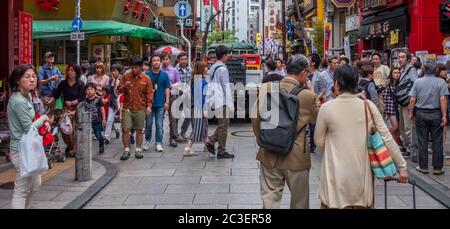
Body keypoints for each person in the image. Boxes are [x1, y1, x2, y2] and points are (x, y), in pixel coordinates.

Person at [314, 64, 409, 209]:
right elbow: (387, 138)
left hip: (334, 176)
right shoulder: (368, 106)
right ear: (356, 82)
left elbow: (319, 142)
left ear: (337, 84)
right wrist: (402, 166)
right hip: (361, 177)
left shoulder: (327, 108)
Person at [251, 54, 321, 209]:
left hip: (269, 152)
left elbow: (255, 117)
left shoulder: (267, 88)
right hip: (296, 157)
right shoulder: (307, 95)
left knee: (269, 200)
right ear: (303, 72)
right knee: (299, 202)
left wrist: (260, 138)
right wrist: (312, 92)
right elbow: (317, 119)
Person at [8, 64, 50, 209]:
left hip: (29, 148)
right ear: (18, 80)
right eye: (27, 77)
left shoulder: (27, 96)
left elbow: (32, 123)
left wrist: (44, 124)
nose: (32, 80)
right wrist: (44, 118)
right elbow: (29, 128)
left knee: (36, 184)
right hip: (21, 150)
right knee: (22, 189)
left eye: (34, 76)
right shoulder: (18, 101)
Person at [408, 59, 448, 175]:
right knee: (437, 141)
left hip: (421, 113)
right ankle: (437, 168)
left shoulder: (417, 82)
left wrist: (410, 113)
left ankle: (423, 166)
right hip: (436, 113)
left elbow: (412, 99)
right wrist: (444, 115)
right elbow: (443, 99)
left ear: (423, 70)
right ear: (436, 70)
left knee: (422, 141)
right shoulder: (441, 82)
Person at [117, 56, 154, 160]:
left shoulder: (146, 79)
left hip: (140, 107)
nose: (134, 69)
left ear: (141, 67)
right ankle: (126, 150)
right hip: (127, 107)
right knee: (125, 129)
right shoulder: (126, 76)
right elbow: (119, 90)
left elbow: (149, 94)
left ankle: (138, 149)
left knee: (139, 130)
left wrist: (149, 106)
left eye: (136, 67)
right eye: (132, 67)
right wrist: (125, 86)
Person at [204, 45, 235, 159]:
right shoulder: (223, 69)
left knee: (223, 124)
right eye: (227, 55)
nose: (228, 57)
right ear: (223, 55)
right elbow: (226, 87)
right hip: (222, 100)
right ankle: (221, 150)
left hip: (215, 99)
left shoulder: (213, 67)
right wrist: (231, 104)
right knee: (223, 126)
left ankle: (211, 141)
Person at [52, 64, 85, 157]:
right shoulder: (63, 83)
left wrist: (72, 103)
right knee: (64, 129)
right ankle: (70, 146)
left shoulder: (81, 84)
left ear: (76, 73)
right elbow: (56, 95)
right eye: (68, 70)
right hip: (66, 109)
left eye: (72, 71)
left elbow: (82, 98)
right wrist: (49, 101)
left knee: (73, 130)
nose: (69, 72)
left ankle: (73, 148)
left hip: (77, 109)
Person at [144, 54, 170, 152]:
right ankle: (147, 141)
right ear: (151, 62)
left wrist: (167, 102)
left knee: (159, 124)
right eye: (154, 60)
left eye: (158, 60)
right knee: (149, 124)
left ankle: (158, 143)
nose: (156, 62)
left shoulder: (164, 75)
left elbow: (167, 88)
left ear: (161, 62)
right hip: (149, 104)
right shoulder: (147, 74)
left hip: (160, 104)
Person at [184, 61, 209, 156]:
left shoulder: (196, 80)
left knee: (204, 127)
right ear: (202, 69)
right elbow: (200, 98)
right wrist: (204, 110)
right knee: (197, 128)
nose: (207, 69)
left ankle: (207, 145)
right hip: (198, 109)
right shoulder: (201, 81)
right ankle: (188, 148)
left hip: (195, 108)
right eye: (206, 67)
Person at [398, 50, 419, 158]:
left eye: (402, 57)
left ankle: (411, 148)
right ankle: (406, 146)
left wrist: (412, 99)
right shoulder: (402, 70)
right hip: (402, 102)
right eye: (399, 57)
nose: (400, 59)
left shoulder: (411, 70)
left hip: (408, 103)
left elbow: (416, 84)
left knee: (408, 126)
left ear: (408, 59)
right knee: (402, 126)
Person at [160, 52, 182, 147]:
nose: (165, 61)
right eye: (163, 59)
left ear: (169, 59)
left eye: (166, 59)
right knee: (159, 117)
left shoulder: (174, 70)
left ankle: (173, 138)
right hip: (160, 96)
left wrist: (170, 86)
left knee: (172, 118)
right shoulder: (159, 70)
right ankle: (158, 138)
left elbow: (179, 83)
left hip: (172, 95)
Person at [176, 53, 193, 141]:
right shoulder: (175, 70)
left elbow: (190, 81)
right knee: (176, 116)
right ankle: (174, 135)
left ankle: (183, 131)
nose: (184, 61)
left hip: (187, 96)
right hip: (177, 96)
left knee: (188, 115)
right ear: (178, 60)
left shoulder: (190, 70)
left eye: (185, 59)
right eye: (182, 59)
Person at [103, 64, 122, 144]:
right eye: (112, 71)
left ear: (119, 71)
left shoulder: (123, 78)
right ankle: (106, 137)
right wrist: (113, 83)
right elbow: (109, 91)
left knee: (123, 120)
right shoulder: (111, 80)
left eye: (115, 70)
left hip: (121, 102)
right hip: (113, 102)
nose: (113, 72)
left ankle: (119, 131)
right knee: (109, 120)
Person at [381, 67, 401, 136]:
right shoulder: (388, 83)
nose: (397, 74)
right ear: (391, 74)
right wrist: (385, 110)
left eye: (398, 73)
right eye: (395, 73)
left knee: (398, 129)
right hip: (390, 108)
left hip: (397, 108)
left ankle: (394, 143)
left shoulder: (399, 83)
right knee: (395, 127)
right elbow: (384, 96)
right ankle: (385, 139)